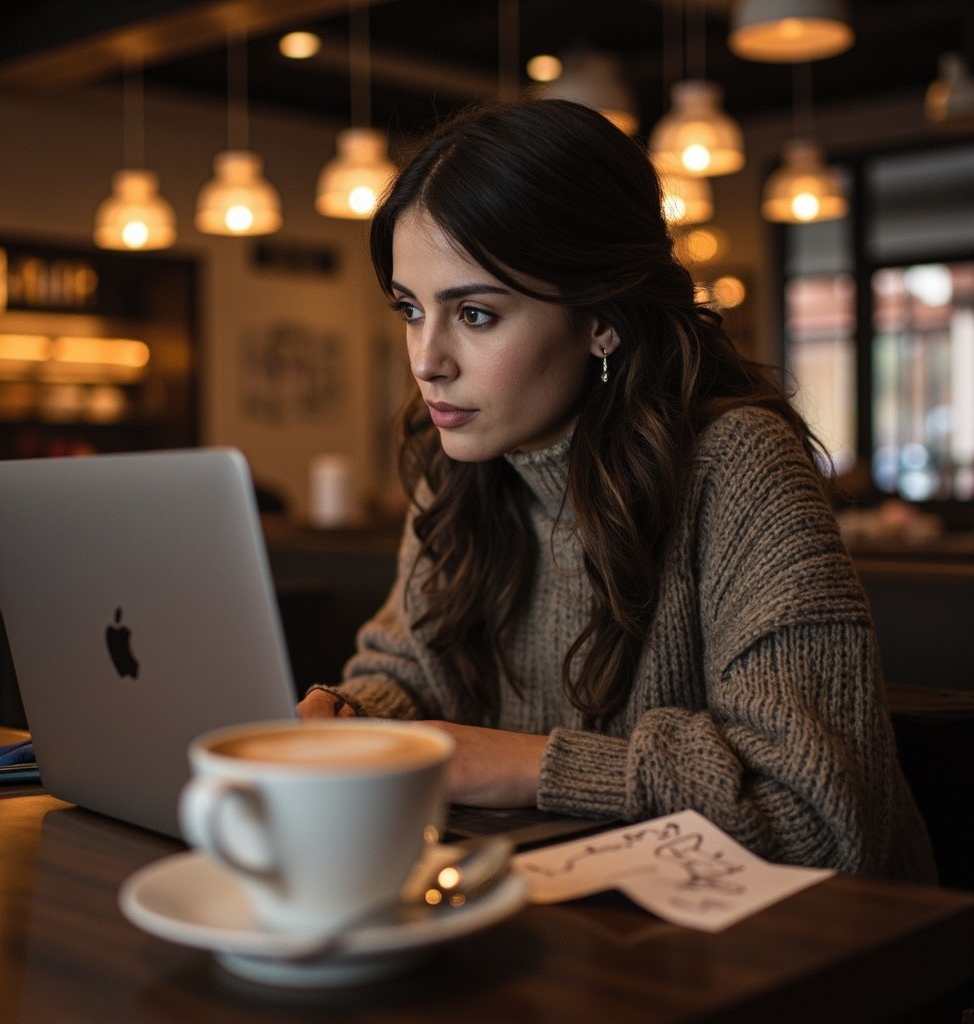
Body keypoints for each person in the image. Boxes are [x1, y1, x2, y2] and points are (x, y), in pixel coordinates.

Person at [298, 98, 936, 882]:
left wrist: (533, 766)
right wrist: (355, 718)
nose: (427, 359)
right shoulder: (454, 463)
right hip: (571, 917)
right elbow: (408, 670)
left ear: (602, 319)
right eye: (409, 308)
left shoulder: (737, 465)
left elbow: (819, 818)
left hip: (810, 955)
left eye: (473, 313)